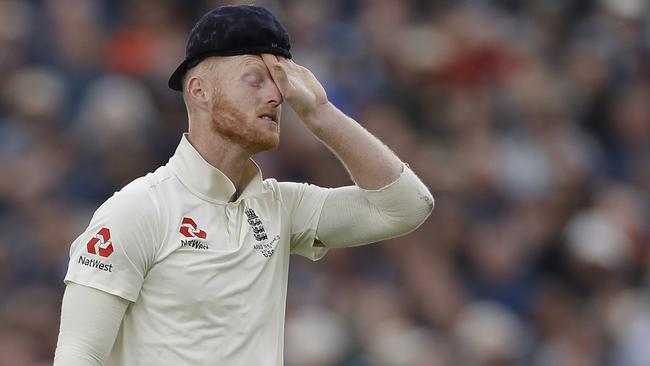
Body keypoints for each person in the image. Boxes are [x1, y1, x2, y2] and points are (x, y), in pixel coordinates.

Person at [54, 5, 433, 365]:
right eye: (255, 78)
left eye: (281, 83)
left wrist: (320, 113)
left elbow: (406, 206)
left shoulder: (281, 207)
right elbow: (78, 354)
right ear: (199, 91)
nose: (276, 96)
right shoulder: (138, 209)